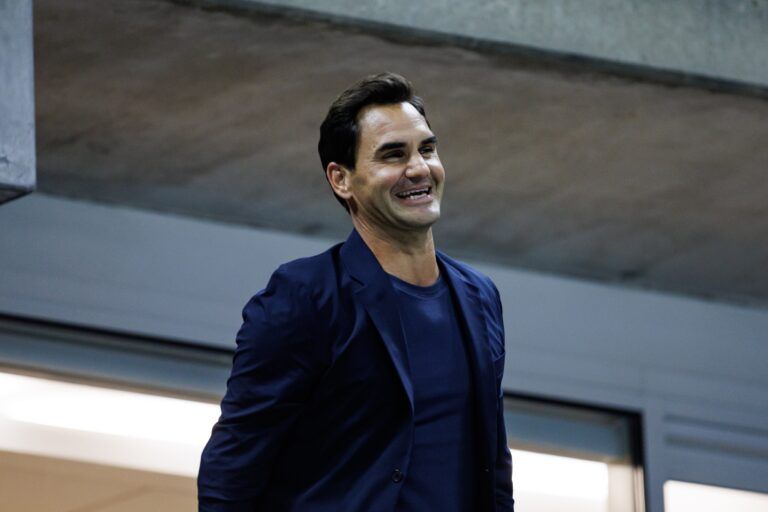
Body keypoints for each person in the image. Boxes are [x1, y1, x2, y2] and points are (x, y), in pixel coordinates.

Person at [198, 72, 514, 511]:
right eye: (392, 155)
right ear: (341, 180)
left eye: (427, 148)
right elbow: (233, 467)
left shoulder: (479, 297)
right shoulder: (305, 296)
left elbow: (493, 462)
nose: (419, 168)